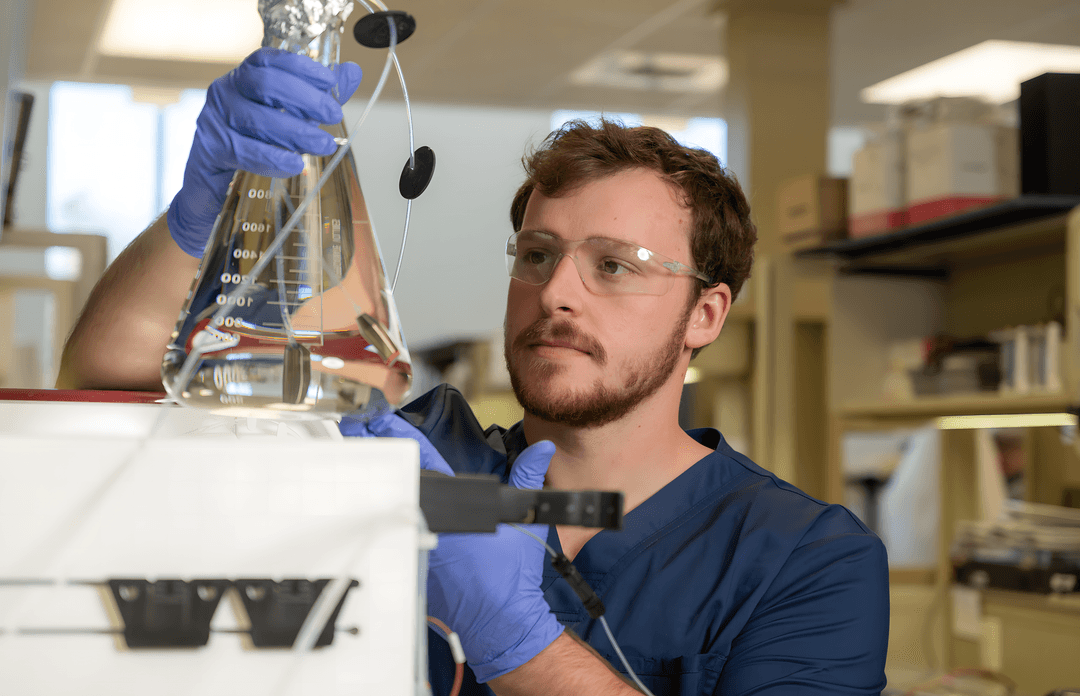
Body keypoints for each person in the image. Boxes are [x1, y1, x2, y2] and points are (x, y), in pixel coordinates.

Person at [58, 48, 889, 695]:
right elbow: (111, 383)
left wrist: (518, 643)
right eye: (538, 254)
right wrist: (196, 213)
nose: (555, 291)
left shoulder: (805, 560)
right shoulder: (416, 456)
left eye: (614, 266)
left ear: (704, 315)